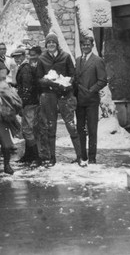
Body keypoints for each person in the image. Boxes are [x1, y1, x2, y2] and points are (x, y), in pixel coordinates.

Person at [36, 32, 82, 167]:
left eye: (53, 42)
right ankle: (52, 158)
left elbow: (73, 75)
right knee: (51, 126)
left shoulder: (65, 56)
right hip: (49, 95)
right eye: (48, 42)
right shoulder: (42, 59)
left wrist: (67, 83)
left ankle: (79, 156)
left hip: (64, 94)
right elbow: (39, 79)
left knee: (70, 125)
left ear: (57, 44)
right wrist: (50, 83)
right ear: (46, 45)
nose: (51, 44)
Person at [74, 36, 108, 165]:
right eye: (83, 45)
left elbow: (103, 80)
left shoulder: (97, 61)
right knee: (80, 129)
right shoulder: (77, 61)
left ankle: (92, 157)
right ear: (81, 46)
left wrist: (91, 90)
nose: (85, 47)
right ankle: (83, 156)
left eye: (88, 44)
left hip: (91, 100)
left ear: (92, 45)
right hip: (79, 100)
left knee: (92, 130)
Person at [14, 47, 40, 165]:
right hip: (29, 102)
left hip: (29, 103)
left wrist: (22, 103)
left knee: (28, 129)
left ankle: (35, 157)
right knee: (26, 129)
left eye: (19, 56)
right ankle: (28, 155)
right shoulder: (25, 67)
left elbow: (27, 88)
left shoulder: (25, 69)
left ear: (24, 56)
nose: (17, 59)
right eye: (15, 57)